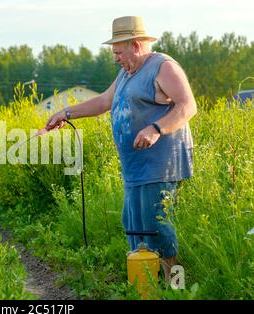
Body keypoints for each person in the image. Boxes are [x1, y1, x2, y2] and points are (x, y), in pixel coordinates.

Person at [45, 16, 197, 282]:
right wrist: (66, 113)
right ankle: (145, 287)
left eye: (118, 51)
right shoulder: (127, 73)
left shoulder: (163, 67)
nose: (115, 57)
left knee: (159, 229)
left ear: (136, 46)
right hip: (135, 168)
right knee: (135, 230)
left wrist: (155, 129)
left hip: (160, 166)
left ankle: (177, 288)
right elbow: (104, 101)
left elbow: (187, 106)